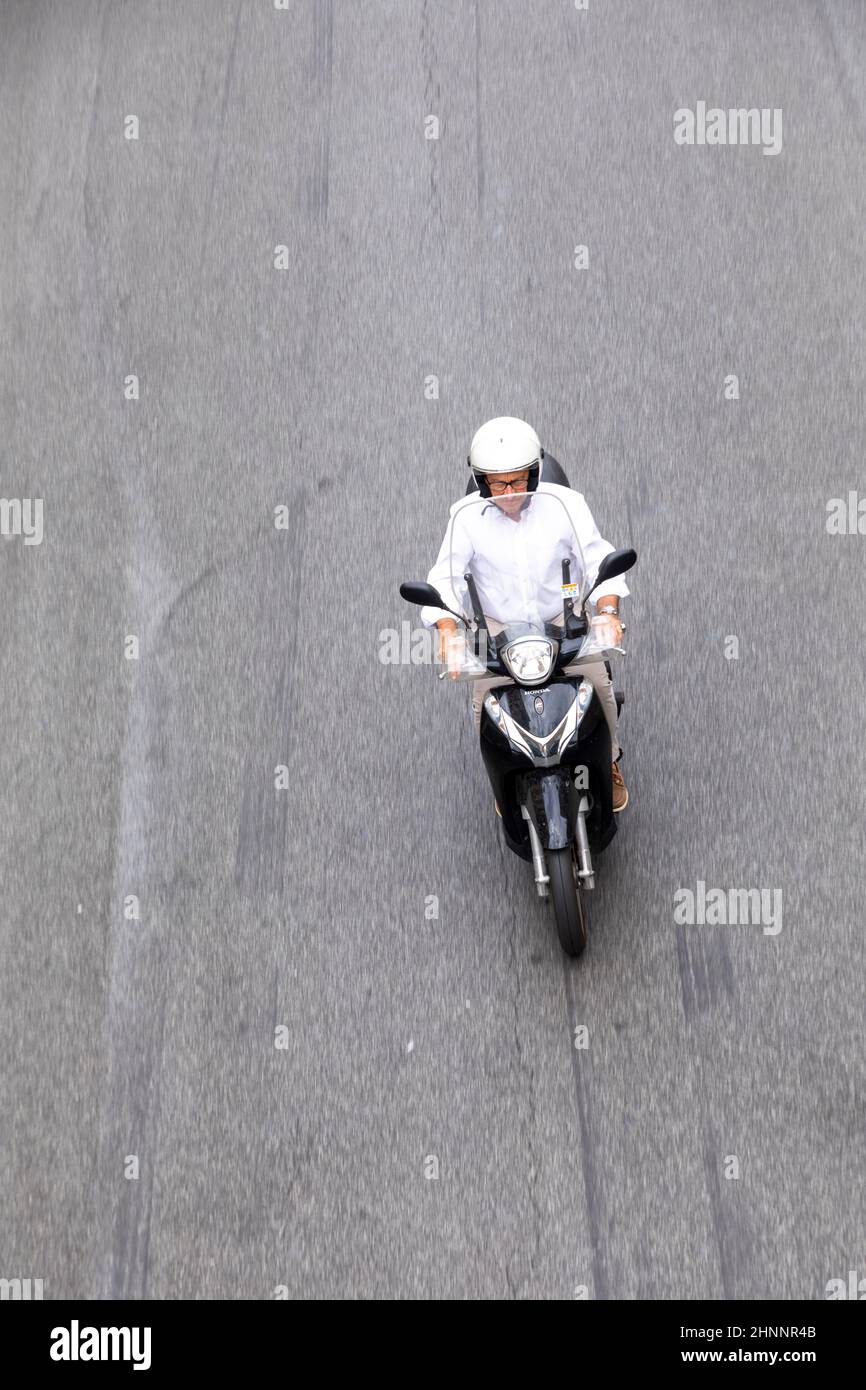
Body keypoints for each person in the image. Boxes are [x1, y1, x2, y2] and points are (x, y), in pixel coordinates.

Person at [419, 416, 631, 812]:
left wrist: (606, 610)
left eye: (518, 480)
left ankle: (610, 761)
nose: (509, 492)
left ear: (534, 473)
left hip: (561, 620)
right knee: (485, 705)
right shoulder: (465, 518)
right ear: (482, 481)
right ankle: (505, 777)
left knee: (598, 686)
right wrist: (447, 631)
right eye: (498, 483)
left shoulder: (567, 506)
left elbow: (598, 559)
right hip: (501, 633)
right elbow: (443, 579)